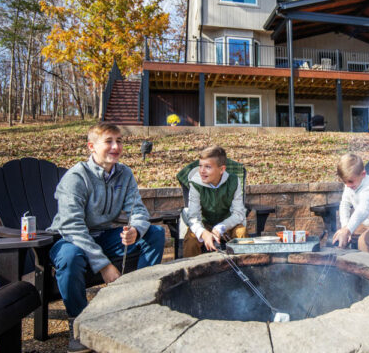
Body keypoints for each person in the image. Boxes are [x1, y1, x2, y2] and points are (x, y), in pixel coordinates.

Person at [48, 122, 165, 353]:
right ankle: (79, 324)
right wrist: (104, 266)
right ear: (91, 146)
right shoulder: (76, 178)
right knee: (70, 258)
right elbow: (72, 226)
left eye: (119, 141)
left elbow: (138, 211)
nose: (116, 146)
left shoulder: (125, 173)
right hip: (71, 239)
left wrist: (135, 230)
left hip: (105, 236)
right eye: (109, 141)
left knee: (156, 233)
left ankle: (137, 303)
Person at [180, 146, 247, 257]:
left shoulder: (234, 181)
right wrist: (203, 233)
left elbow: (238, 214)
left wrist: (220, 228)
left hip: (228, 224)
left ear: (222, 169)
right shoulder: (195, 183)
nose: (202, 171)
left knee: (242, 233)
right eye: (200, 166)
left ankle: (246, 267)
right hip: (204, 224)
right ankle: (191, 272)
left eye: (208, 167)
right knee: (191, 240)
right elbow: (193, 217)